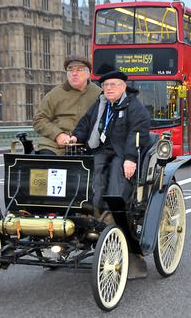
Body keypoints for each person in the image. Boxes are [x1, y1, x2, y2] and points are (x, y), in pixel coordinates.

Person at [70, 70, 151, 279]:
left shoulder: (134, 106)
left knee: (117, 170)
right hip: (100, 149)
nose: (108, 89)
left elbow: (138, 132)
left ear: (123, 87)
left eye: (113, 85)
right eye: (105, 85)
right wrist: (75, 137)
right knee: (92, 169)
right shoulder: (100, 104)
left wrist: (130, 158)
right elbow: (86, 124)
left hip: (122, 151)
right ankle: (93, 210)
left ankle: (112, 215)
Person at [32, 55, 102, 155]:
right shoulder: (55, 94)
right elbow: (39, 119)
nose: (74, 74)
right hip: (55, 145)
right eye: (70, 70)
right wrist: (57, 135)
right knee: (47, 164)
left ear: (88, 74)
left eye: (79, 70)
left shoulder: (99, 94)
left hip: (87, 144)